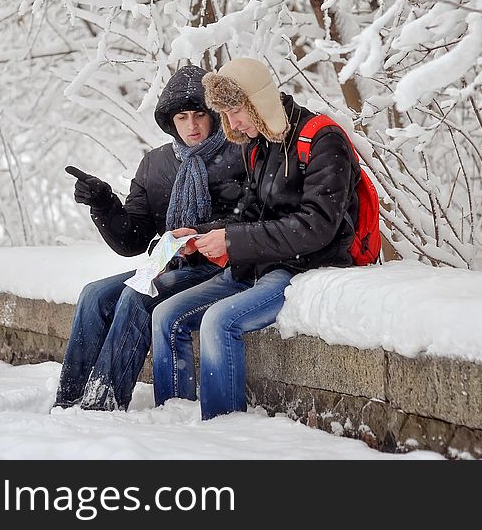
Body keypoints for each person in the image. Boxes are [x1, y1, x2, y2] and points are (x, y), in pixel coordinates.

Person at [151, 57, 360, 420]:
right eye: (226, 115)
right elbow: (249, 213)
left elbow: (316, 226)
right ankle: (174, 423)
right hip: (257, 263)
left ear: (257, 103)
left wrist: (232, 243)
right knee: (166, 315)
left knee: (219, 320)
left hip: (304, 267)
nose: (231, 125)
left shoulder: (323, 139)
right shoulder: (258, 144)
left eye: (235, 112)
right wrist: (200, 234)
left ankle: (223, 430)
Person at [53, 64, 244, 412]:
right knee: (94, 294)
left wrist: (197, 235)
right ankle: (68, 401)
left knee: (135, 296)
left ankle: (103, 403)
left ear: (214, 114)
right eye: (182, 117)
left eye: (200, 114)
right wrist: (104, 202)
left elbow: (249, 216)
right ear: (170, 121)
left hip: (217, 267)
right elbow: (133, 240)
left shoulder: (239, 153)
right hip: (170, 263)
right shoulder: (156, 164)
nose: (192, 126)